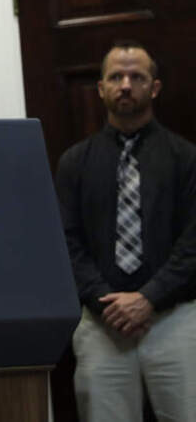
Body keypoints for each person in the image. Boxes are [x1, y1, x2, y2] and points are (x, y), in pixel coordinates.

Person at [56, 41, 196, 421]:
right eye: (116, 76)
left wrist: (148, 298)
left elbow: (193, 244)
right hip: (102, 325)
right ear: (101, 88)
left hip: (175, 320)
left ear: (154, 88)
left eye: (137, 76)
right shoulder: (74, 163)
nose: (125, 84)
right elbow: (66, 244)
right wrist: (108, 302)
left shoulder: (186, 159)